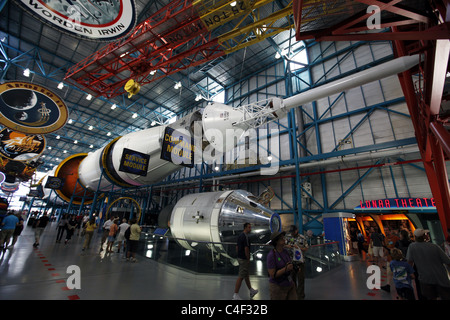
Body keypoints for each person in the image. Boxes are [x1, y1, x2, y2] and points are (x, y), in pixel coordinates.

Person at [406, 228, 450, 300]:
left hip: (425, 278)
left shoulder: (412, 247)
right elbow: (447, 261)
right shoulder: (434, 247)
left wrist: (410, 273)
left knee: (431, 297)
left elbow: (410, 262)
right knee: (446, 296)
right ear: (424, 236)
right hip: (441, 277)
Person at [267, 231, 297, 300]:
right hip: (278, 287)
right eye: (281, 238)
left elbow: (288, 263)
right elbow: (272, 274)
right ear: (276, 241)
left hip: (289, 284)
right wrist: (285, 269)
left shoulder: (285, 252)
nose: (284, 239)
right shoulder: (272, 256)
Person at [232, 222, 259, 300]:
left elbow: (237, 247)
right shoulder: (246, 237)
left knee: (246, 275)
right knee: (241, 276)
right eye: (249, 227)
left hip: (240, 258)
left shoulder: (240, 236)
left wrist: (239, 256)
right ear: (245, 228)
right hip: (244, 259)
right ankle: (235, 294)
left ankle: (251, 290)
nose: (250, 229)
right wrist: (247, 258)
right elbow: (246, 248)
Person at [285, 225, 308, 300]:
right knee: (292, 279)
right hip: (291, 262)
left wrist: (299, 248)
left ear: (296, 231)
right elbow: (284, 245)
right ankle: (293, 295)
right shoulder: (288, 238)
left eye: (293, 232)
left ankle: (300, 296)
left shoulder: (302, 238)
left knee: (301, 280)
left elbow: (306, 248)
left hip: (300, 262)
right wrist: (288, 246)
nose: (291, 234)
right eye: (291, 232)